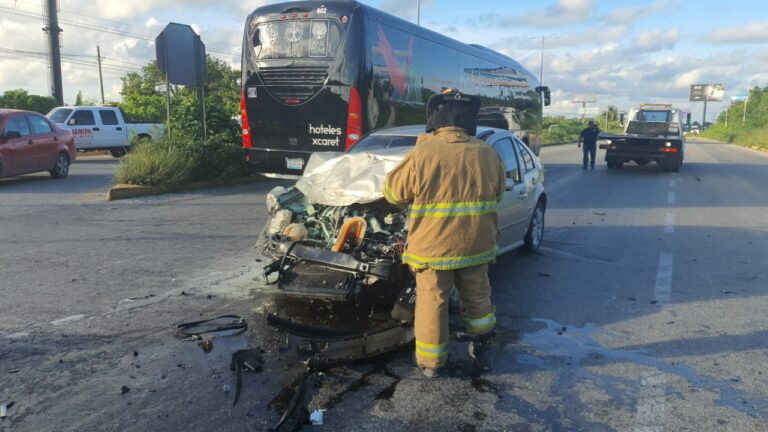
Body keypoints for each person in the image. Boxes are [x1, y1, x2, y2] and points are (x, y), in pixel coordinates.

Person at [384, 89, 506, 377]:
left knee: (432, 303)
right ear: (468, 122)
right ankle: (483, 348)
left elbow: (392, 192)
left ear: (435, 121)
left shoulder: (422, 154)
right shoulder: (487, 153)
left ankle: (431, 363)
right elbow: (499, 193)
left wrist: (421, 150)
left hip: (433, 249)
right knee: (478, 298)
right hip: (476, 245)